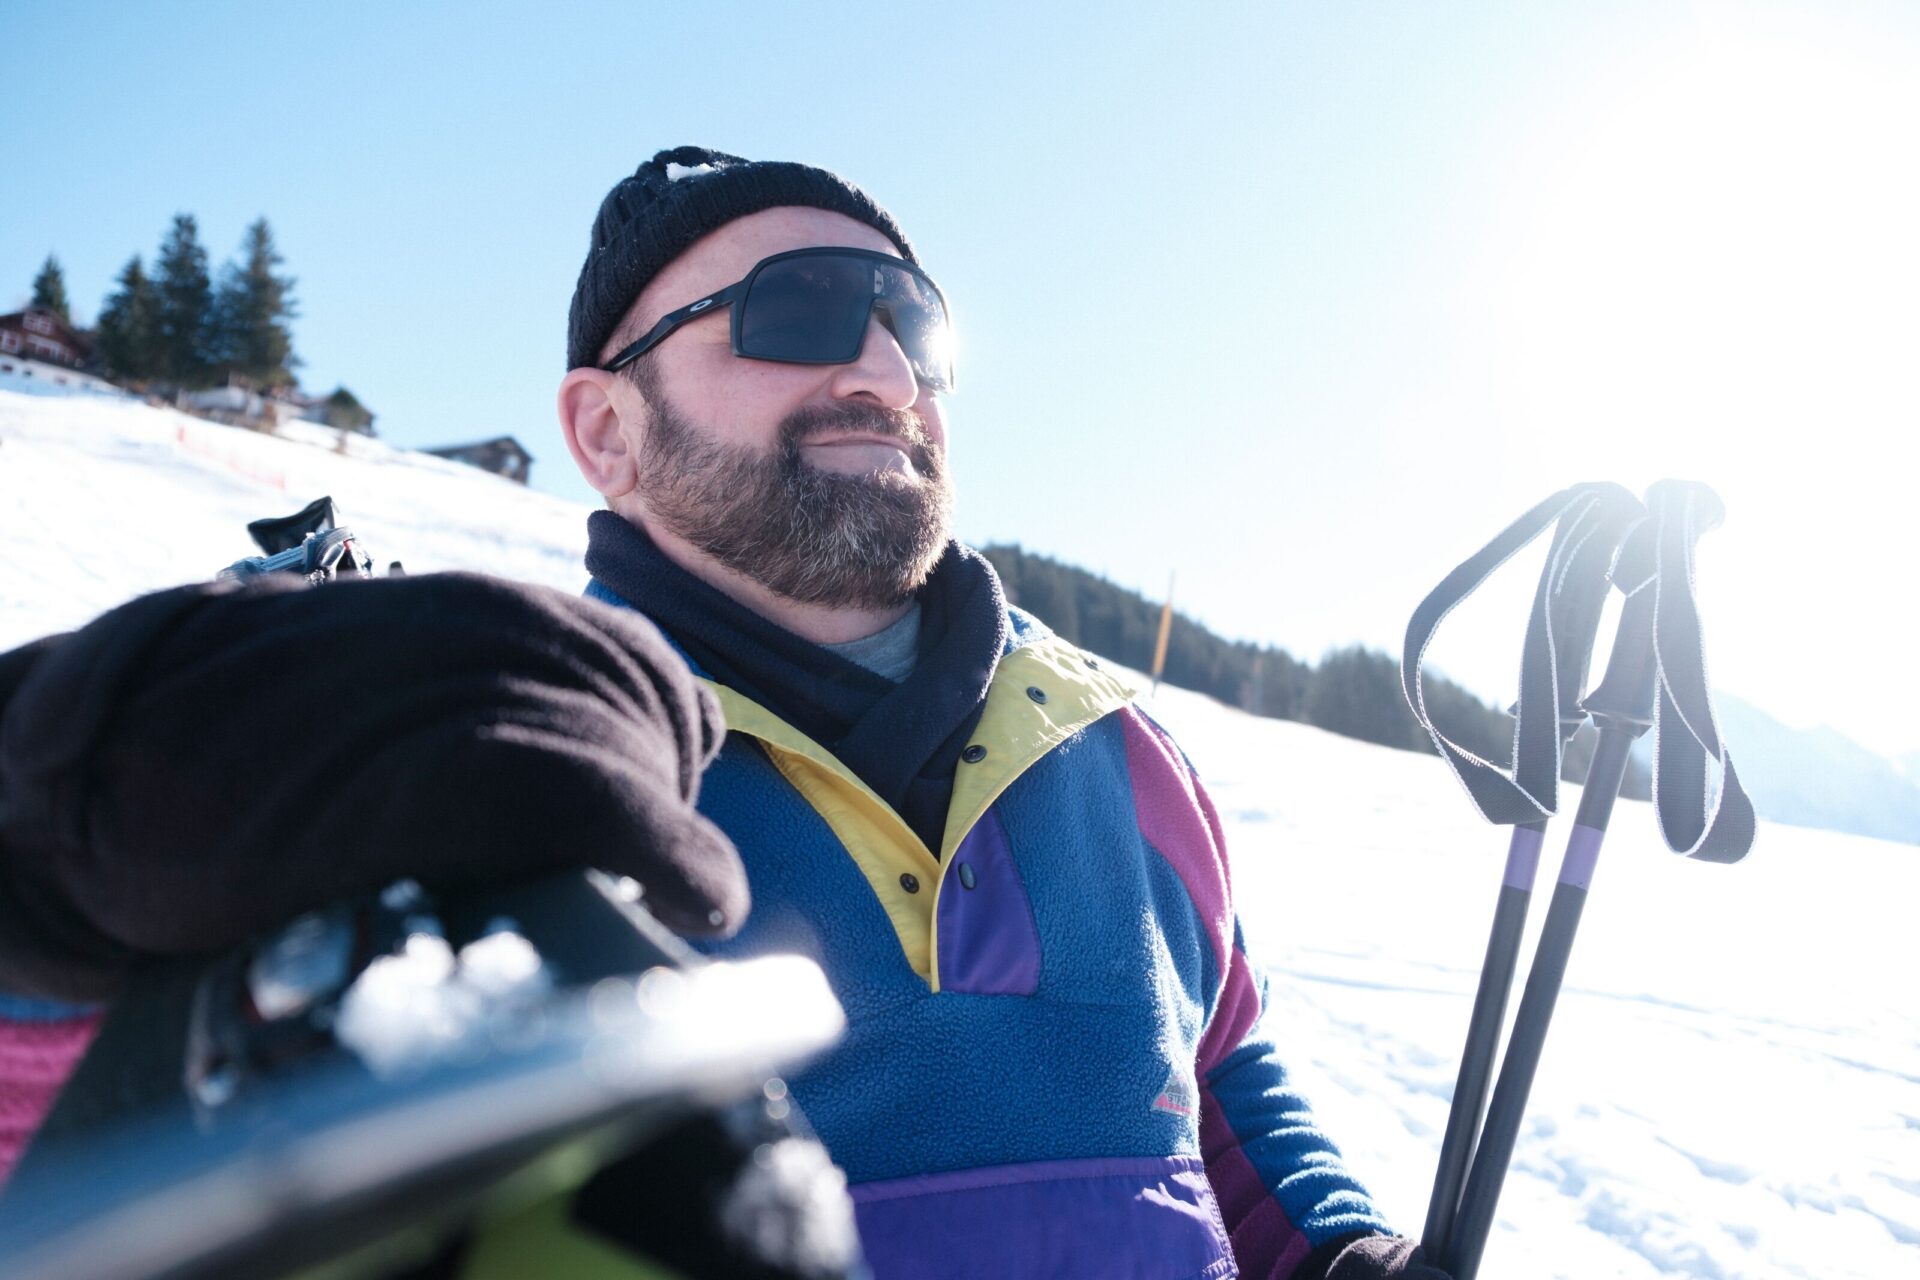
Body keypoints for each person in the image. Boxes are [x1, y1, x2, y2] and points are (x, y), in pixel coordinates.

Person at [0, 146, 1449, 1279]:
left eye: (913, 324)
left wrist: (1339, 1254)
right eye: (799, 307)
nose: (883, 370)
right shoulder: (494, 764)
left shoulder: (1118, 752)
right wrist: (62, 872)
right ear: (604, 430)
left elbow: (1217, 1088)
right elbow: (87, 1155)